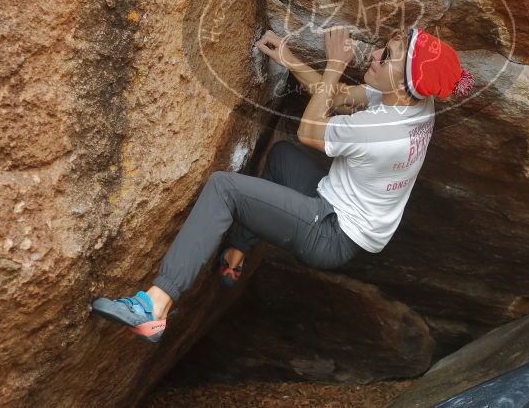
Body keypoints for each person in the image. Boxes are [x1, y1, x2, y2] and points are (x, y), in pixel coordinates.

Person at [90, 26, 474, 342]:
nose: (373, 54)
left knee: (225, 188)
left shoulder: (385, 134)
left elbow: (312, 130)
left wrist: (335, 64)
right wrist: (289, 58)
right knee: (282, 158)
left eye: (385, 56)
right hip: (337, 207)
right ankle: (237, 253)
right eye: (382, 48)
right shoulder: (415, 101)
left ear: (405, 84)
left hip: (332, 231)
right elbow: (338, 98)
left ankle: (155, 305)